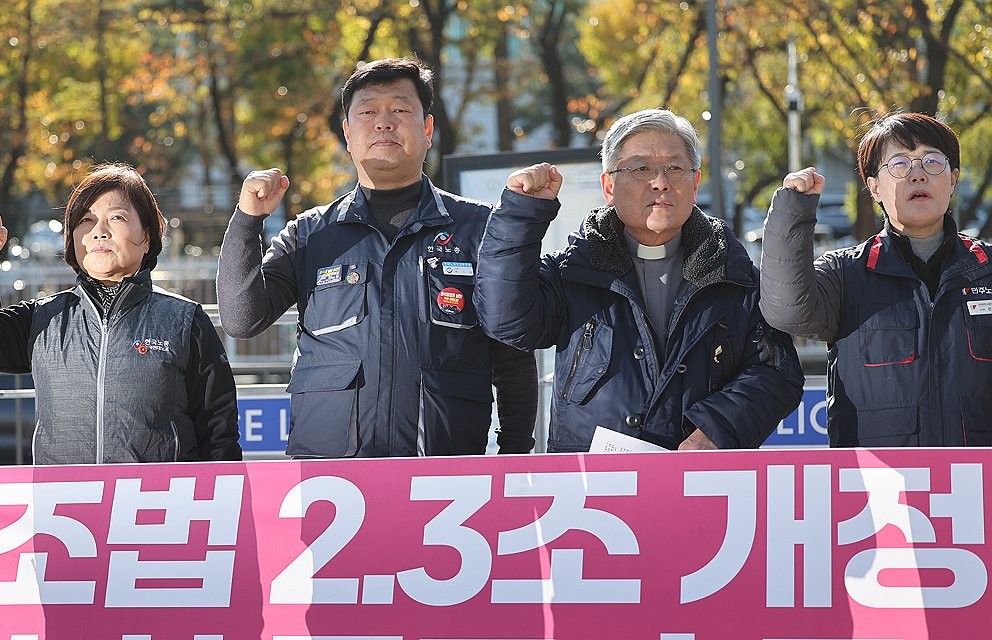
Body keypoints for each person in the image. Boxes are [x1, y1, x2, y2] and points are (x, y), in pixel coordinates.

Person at [216, 56, 537, 458]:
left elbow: (513, 358)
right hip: (328, 482)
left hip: (447, 477)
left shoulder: (480, 229)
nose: (384, 122)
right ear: (348, 133)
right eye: (368, 112)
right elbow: (241, 318)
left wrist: (514, 458)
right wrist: (248, 220)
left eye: (401, 109)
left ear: (428, 128)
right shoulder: (310, 234)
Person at [476, 108, 803, 451]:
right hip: (589, 489)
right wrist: (521, 215)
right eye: (641, 168)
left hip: (702, 483)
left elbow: (776, 372)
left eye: (675, 168)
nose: (660, 181)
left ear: (694, 184)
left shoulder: (734, 277)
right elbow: (505, 321)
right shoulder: (574, 272)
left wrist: (717, 429)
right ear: (609, 186)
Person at [0, 163, 242, 463]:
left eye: (116, 217)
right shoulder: (42, 319)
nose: (99, 232)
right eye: (86, 220)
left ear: (147, 236)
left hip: (160, 505)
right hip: (64, 505)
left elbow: (219, 435)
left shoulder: (184, 320)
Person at [760, 112, 992, 447]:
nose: (918, 175)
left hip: (978, 483)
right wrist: (793, 209)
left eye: (931, 162)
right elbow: (787, 309)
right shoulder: (845, 274)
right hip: (875, 487)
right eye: (900, 164)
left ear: (953, 180)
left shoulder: (986, 267)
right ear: (874, 188)